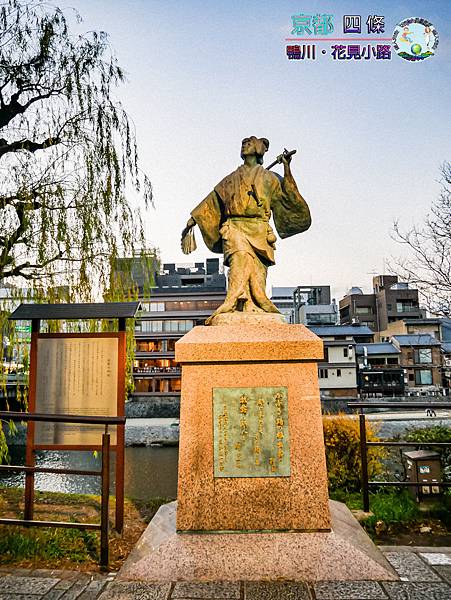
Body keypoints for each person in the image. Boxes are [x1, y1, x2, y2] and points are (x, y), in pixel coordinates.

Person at [181, 136, 311, 323]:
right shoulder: (231, 179)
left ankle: (255, 303)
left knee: (258, 272)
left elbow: (288, 196)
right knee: (239, 259)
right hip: (235, 228)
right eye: (243, 143)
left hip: (259, 229)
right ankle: (233, 301)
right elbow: (214, 200)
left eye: (249, 143)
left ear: (259, 149)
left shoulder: (269, 178)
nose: (244, 145)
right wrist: (194, 218)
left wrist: (286, 168)